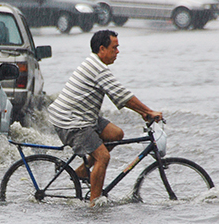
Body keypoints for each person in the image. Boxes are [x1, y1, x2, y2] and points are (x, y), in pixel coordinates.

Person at [47, 29, 162, 206]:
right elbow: (122, 95)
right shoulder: (97, 68)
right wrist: (148, 112)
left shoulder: (95, 64)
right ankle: (94, 204)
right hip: (71, 122)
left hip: (83, 117)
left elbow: (121, 95)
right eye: (114, 48)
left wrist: (144, 112)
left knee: (116, 134)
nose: (118, 52)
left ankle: (83, 172)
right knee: (103, 157)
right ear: (102, 49)